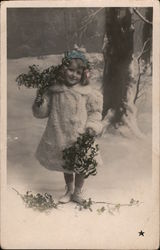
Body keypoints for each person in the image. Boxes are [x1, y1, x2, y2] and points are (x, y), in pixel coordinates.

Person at [32, 50, 103, 204]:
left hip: (80, 134)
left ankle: (77, 192)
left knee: (81, 164)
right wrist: (40, 101)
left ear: (84, 74)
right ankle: (69, 190)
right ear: (63, 70)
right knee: (66, 164)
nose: (74, 75)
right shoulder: (55, 91)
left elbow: (95, 112)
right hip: (60, 133)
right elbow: (42, 112)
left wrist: (92, 126)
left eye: (78, 72)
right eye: (70, 70)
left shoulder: (87, 93)